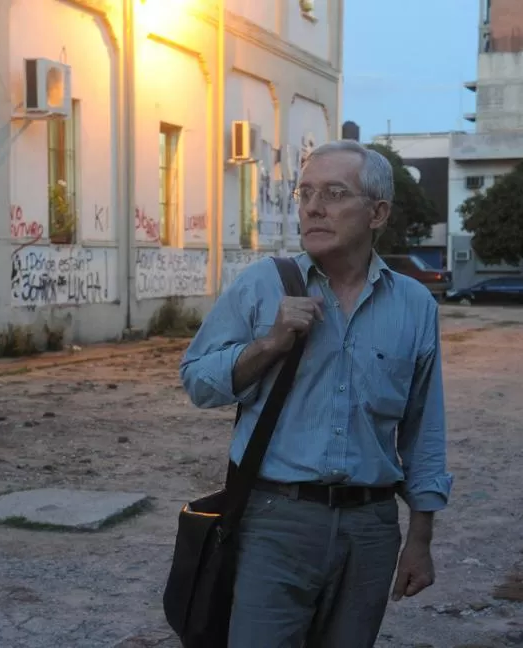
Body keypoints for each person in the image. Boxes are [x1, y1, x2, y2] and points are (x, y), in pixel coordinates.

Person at [180, 139, 452, 647]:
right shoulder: (262, 286)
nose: (313, 207)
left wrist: (420, 537)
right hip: (276, 522)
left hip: (370, 531)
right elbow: (196, 381)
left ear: (378, 212)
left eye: (333, 193)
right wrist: (269, 345)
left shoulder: (414, 305)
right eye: (305, 193)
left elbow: (424, 428)